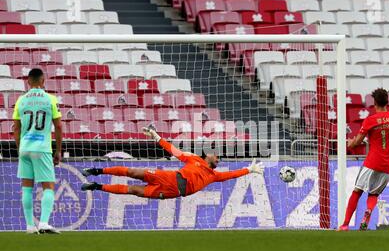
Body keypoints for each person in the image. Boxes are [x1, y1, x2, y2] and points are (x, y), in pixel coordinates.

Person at [81, 125, 265, 199]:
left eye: (219, 159)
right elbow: (173, 150)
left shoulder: (214, 176)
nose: (218, 159)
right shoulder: (192, 158)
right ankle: (97, 170)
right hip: (169, 177)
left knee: (134, 191)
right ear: (208, 155)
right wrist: (157, 137)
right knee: (133, 172)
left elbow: (231, 175)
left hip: (172, 191)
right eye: (217, 156)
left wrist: (249, 169)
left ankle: (96, 187)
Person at [338, 88, 389, 231]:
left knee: (357, 191)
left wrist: (350, 143)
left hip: (372, 162)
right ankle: (368, 211)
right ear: (387, 102)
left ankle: (344, 225)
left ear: (374, 103)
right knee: (374, 193)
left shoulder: (371, 120)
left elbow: (357, 142)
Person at [13, 68, 63, 234]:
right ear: (43, 81)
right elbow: (58, 126)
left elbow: (16, 128)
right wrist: (58, 150)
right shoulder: (50, 99)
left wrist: (20, 148)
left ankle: (29, 226)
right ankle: (43, 223)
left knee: (26, 187)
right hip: (42, 147)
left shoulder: (21, 100)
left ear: (28, 81)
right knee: (48, 186)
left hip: (25, 147)